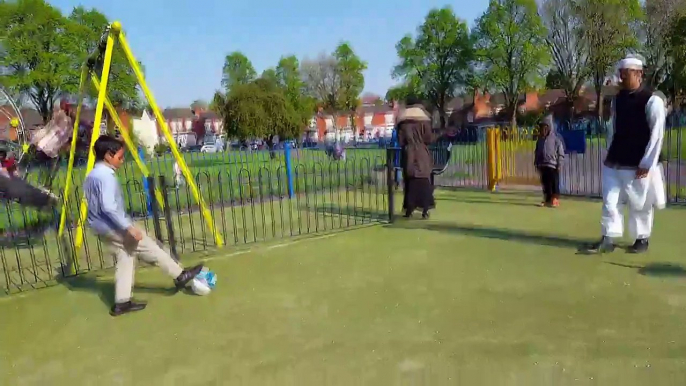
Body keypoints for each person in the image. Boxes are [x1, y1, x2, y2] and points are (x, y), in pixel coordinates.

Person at [83, 135, 204, 316]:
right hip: (114, 227)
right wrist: (128, 227)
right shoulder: (106, 177)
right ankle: (180, 275)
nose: (122, 161)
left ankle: (122, 303)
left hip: (100, 227)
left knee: (126, 256)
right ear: (108, 156)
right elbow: (108, 206)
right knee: (148, 245)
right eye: (120, 157)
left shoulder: (92, 175)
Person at [581, 55, 666, 254]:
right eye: (620, 74)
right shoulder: (617, 100)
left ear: (639, 74)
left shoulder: (652, 101)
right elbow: (613, 128)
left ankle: (642, 238)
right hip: (616, 160)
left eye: (625, 74)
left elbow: (657, 134)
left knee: (641, 203)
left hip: (639, 163)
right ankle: (608, 237)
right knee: (610, 200)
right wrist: (611, 151)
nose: (621, 78)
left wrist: (647, 163)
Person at [397, 99, 435, 219]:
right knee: (423, 182)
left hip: (409, 154)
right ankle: (425, 210)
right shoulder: (424, 123)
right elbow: (428, 139)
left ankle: (409, 209)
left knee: (410, 182)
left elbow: (400, 141)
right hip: (422, 154)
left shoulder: (402, 124)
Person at [534, 114, 565, 207]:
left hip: (553, 165)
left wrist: (559, 164)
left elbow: (560, 153)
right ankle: (547, 199)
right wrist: (536, 162)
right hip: (543, 165)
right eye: (541, 128)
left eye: (544, 128)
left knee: (554, 183)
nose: (542, 130)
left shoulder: (556, 139)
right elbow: (537, 152)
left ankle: (554, 199)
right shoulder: (540, 140)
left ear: (548, 128)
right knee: (545, 183)